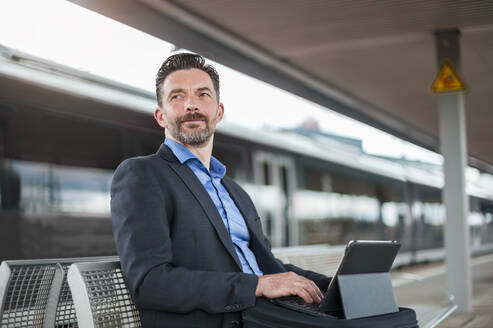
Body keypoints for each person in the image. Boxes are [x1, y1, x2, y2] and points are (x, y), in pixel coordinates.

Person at [111, 53, 331, 328]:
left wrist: (331, 284)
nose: (191, 104)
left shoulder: (234, 191)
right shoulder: (143, 174)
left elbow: (268, 267)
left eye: (203, 94)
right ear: (160, 116)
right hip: (229, 319)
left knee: (387, 316)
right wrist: (255, 286)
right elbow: (150, 282)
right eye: (177, 97)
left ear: (219, 111)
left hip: (267, 315)